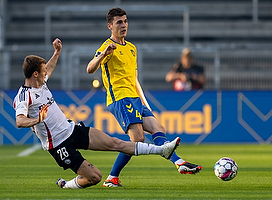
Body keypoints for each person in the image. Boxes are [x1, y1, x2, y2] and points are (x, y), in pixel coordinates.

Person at [13, 38, 181, 189]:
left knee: (116, 143)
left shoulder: (40, 83)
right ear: (35, 74)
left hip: (72, 130)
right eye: (43, 72)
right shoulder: (24, 96)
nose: (46, 73)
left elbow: (48, 67)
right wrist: (37, 119)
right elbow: (20, 121)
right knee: (95, 177)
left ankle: (162, 150)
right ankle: (65, 185)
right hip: (58, 145)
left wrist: (57, 53)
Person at [86, 7, 202, 187]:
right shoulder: (107, 47)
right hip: (120, 98)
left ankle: (178, 163)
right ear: (110, 26)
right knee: (137, 139)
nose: (123, 25)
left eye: (125, 21)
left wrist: (144, 103)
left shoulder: (132, 48)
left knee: (158, 128)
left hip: (135, 98)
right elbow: (90, 69)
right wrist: (103, 55)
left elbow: (134, 79)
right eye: (119, 22)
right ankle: (113, 178)